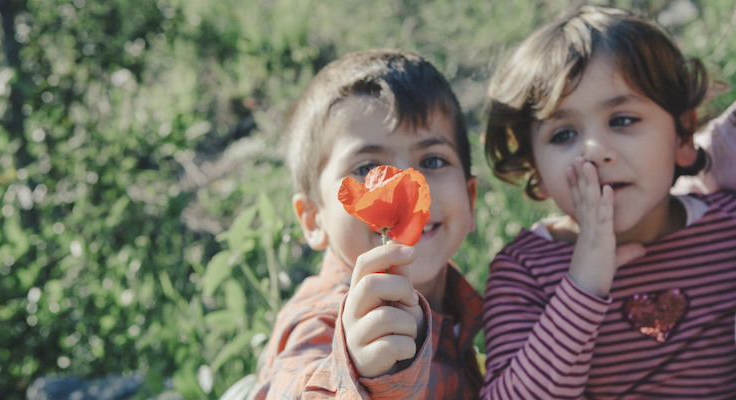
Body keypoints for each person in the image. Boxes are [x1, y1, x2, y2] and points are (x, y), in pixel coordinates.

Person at [481, 5, 736, 398]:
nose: (595, 151)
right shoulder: (524, 271)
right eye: (564, 134)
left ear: (683, 135)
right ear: (537, 171)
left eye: (622, 120)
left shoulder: (725, 231)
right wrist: (583, 284)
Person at [253, 49, 483, 399]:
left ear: (471, 199)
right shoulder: (323, 319)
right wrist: (356, 373)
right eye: (366, 168)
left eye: (433, 160)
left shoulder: (469, 305)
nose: (407, 180)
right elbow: (286, 387)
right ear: (314, 218)